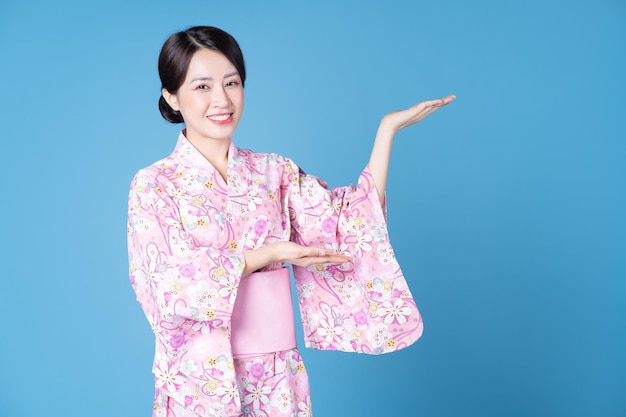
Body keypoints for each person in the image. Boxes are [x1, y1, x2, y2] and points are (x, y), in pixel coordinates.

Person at [127, 25, 455, 417]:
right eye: (202, 87)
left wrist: (387, 132)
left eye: (231, 82)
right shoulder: (154, 185)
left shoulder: (273, 172)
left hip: (277, 376)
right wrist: (268, 254)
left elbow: (346, 223)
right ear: (172, 96)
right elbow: (170, 283)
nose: (222, 99)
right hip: (201, 380)